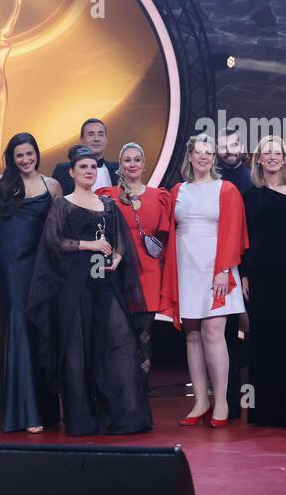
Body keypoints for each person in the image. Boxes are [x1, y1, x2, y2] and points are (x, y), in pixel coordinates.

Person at [27, 145, 153, 435]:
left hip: (105, 285)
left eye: (93, 167)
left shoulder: (107, 204)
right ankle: (82, 419)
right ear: (72, 172)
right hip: (74, 287)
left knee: (118, 344)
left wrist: (117, 257)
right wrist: (89, 245)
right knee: (77, 350)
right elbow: (54, 241)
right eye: (83, 167)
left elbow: (120, 239)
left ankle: (123, 416)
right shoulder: (63, 204)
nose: (89, 171)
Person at [160, 133, 248, 427]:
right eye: (198, 152)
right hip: (186, 268)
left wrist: (224, 269)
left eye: (208, 152)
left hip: (217, 269)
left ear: (214, 158)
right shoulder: (177, 191)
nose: (203, 157)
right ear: (190, 156)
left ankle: (221, 401)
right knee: (192, 335)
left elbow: (234, 231)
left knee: (214, 334)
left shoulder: (227, 189)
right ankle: (200, 401)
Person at [241, 135, 286, 427]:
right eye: (266, 153)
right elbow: (245, 238)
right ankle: (264, 413)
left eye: (278, 153)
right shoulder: (250, 194)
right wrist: (244, 273)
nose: (272, 157)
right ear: (258, 159)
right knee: (262, 338)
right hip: (260, 274)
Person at [0, 133, 63, 433]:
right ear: (12, 158)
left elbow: (60, 225)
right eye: (19, 155)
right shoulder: (1, 185)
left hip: (43, 264)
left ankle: (46, 410)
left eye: (29, 154)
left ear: (37, 154)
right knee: (18, 326)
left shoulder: (53, 185)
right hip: (12, 266)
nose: (25, 160)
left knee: (41, 329)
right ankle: (24, 413)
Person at [95, 142, 172, 373]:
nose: (132, 164)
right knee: (118, 339)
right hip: (118, 273)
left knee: (144, 338)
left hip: (148, 273)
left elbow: (165, 237)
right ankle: (121, 396)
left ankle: (140, 397)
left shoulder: (160, 197)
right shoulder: (107, 196)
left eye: (137, 159)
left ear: (144, 165)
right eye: (127, 160)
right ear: (120, 165)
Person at [215, 130, 251, 417]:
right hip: (218, 263)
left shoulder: (254, 177)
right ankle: (228, 402)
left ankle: (255, 401)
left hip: (251, 263)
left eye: (234, 144)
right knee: (224, 335)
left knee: (253, 333)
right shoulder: (210, 180)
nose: (229, 150)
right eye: (223, 146)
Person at [51, 118, 119, 193]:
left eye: (100, 134)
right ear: (82, 140)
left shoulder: (119, 169)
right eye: (91, 134)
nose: (96, 139)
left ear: (106, 139)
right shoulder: (62, 170)